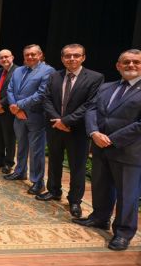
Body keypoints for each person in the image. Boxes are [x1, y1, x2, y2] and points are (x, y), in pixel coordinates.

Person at [73, 49, 141, 251]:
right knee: (101, 186)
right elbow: (92, 109)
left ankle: (123, 232)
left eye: (136, 62)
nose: (131, 65)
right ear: (118, 66)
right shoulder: (106, 87)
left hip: (128, 151)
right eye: (126, 62)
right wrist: (93, 132)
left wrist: (111, 139)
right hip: (100, 147)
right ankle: (100, 218)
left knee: (127, 194)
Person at [37, 44, 103, 218]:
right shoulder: (54, 76)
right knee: (55, 160)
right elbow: (46, 99)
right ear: (62, 58)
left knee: (77, 167)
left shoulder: (95, 78)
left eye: (76, 55)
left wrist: (66, 121)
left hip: (77, 130)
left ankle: (75, 200)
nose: (72, 59)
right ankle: (54, 190)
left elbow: (90, 104)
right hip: (55, 128)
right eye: (68, 56)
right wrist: (58, 122)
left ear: (83, 57)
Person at [5, 44, 55, 196]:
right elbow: (10, 89)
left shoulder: (48, 71)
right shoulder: (19, 70)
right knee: (21, 145)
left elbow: (41, 94)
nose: (30, 57)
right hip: (18, 116)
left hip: (36, 116)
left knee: (36, 151)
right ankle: (20, 171)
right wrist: (15, 107)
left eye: (33, 54)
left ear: (40, 55)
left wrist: (18, 106)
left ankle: (38, 182)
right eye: (27, 55)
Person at [0, 49, 18, 174]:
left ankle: (8, 162)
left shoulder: (18, 72)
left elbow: (15, 91)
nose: (4, 59)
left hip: (9, 110)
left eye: (6, 57)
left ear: (12, 57)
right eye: (1, 58)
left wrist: (1, 104)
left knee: (9, 137)